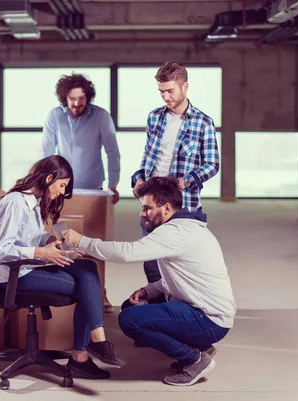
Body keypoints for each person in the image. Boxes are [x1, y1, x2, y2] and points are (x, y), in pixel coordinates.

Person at [62, 176, 236, 386]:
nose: (142, 214)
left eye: (147, 208)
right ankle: (198, 345)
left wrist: (82, 241)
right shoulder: (186, 227)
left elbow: (128, 253)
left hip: (209, 319)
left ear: (166, 208)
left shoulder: (175, 233)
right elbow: (185, 277)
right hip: (203, 309)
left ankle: (195, 358)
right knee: (130, 306)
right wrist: (149, 290)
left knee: (130, 320)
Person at [0, 155, 120, 380]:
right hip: (17, 275)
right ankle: (84, 353)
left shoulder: (33, 203)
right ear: (49, 177)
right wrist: (42, 253)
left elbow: (30, 236)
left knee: (87, 268)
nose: (62, 191)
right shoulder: (15, 203)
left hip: (31, 267)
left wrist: (49, 241)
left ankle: (95, 343)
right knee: (85, 288)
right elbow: (1, 249)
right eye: (61, 185)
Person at [132, 61, 220, 289]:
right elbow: (148, 155)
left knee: (185, 261)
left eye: (170, 91)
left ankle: (186, 303)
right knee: (151, 260)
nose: (166, 97)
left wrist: (186, 181)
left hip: (185, 204)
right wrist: (138, 178)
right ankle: (155, 299)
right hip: (152, 201)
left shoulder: (203, 123)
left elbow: (212, 164)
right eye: (161, 92)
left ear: (185, 87)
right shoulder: (154, 118)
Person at [42, 73, 121, 204]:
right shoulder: (54, 116)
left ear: (88, 97)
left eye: (81, 98)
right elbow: (47, 151)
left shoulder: (101, 116)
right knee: (62, 224)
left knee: (93, 224)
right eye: (72, 98)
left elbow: (112, 153)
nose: (77, 103)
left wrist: (113, 185)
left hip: (93, 188)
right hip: (62, 187)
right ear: (64, 98)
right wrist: (46, 181)